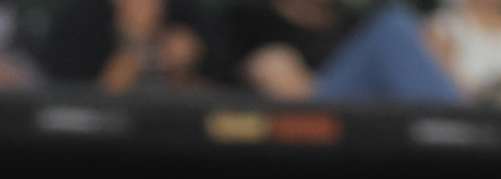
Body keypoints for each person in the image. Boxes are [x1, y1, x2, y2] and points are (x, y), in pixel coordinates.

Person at [227, 0, 463, 103]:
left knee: (396, 25)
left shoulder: (353, 23)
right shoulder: (252, 18)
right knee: (393, 25)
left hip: (372, 117)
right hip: (309, 117)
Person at [40, 0, 221, 93]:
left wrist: (185, 72)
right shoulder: (79, 21)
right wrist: (132, 48)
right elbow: (66, 109)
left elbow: (225, 98)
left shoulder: (187, 15)